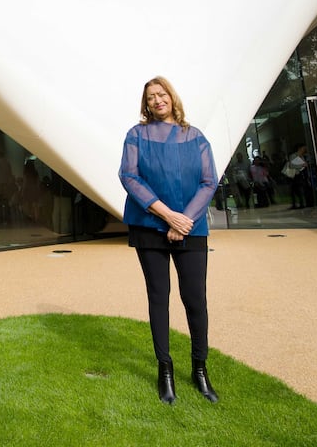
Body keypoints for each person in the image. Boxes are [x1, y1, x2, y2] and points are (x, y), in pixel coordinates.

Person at [119, 76, 220, 405]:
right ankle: (166, 371)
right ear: (146, 104)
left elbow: (209, 181)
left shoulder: (196, 137)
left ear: (172, 97)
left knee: (195, 300)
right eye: (151, 97)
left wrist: (184, 220)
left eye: (161, 94)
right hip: (150, 226)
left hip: (190, 228)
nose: (157, 100)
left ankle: (200, 370)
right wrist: (168, 216)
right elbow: (129, 176)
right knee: (158, 298)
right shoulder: (137, 135)